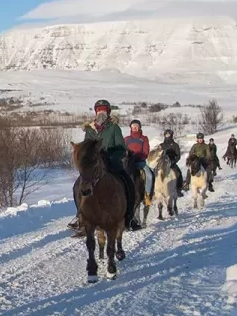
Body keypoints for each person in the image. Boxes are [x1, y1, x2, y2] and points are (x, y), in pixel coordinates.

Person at [69, 99, 142, 233]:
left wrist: (110, 157)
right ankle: (79, 216)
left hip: (112, 164)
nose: (101, 112)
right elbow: (86, 148)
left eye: (104, 110)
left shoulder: (114, 128)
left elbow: (121, 148)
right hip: (94, 166)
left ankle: (130, 216)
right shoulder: (90, 130)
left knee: (129, 183)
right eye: (99, 110)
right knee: (77, 185)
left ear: (108, 112)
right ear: (96, 112)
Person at [124, 119, 154, 205]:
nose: (134, 128)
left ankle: (147, 195)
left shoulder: (144, 138)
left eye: (136, 126)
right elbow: (123, 150)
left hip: (140, 162)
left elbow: (145, 151)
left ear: (139, 128)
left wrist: (138, 157)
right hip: (128, 162)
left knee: (149, 175)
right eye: (133, 126)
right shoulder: (126, 139)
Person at [160, 129, 184, 197]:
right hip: (162, 164)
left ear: (171, 136)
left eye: (168, 135)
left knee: (178, 173)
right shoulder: (161, 145)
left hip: (172, 163)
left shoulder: (175, 145)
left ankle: (178, 188)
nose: (167, 136)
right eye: (166, 135)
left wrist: (174, 161)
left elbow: (178, 155)